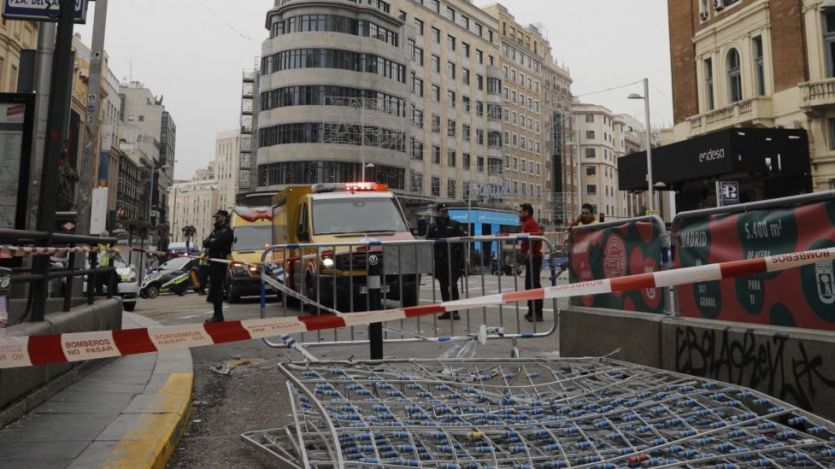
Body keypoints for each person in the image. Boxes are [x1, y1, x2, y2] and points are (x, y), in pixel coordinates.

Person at [426, 203, 466, 320]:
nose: (444, 213)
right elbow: (428, 242)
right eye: (442, 211)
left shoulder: (455, 224)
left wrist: (462, 259)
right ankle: (447, 311)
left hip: (453, 261)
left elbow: (463, 241)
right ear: (438, 212)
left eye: (446, 211)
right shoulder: (433, 227)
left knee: (453, 285)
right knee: (443, 287)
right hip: (440, 261)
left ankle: (455, 311)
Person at [203, 210, 234, 323]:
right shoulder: (217, 229)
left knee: (217, 288)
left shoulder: (226, 230)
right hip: (213, 261)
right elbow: (205, 242)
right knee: (214, 287)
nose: (216, 218)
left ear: (225, 217)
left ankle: (218, 314)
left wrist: (211, 241)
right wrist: (211, 241)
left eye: (219, 216)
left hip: (220, 261)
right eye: (216, 216)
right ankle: (217, 313)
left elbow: (216, 243)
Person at [518, 204, 544, 322]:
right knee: (529, 284)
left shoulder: (530, 223)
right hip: (530, 257)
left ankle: (537, 313)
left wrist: (529, 251)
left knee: (534, 284)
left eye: (521, 212)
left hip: (534, 257)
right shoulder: (526, 223)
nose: (519, 214)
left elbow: (536, 237)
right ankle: (531, 310)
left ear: (527, 212)